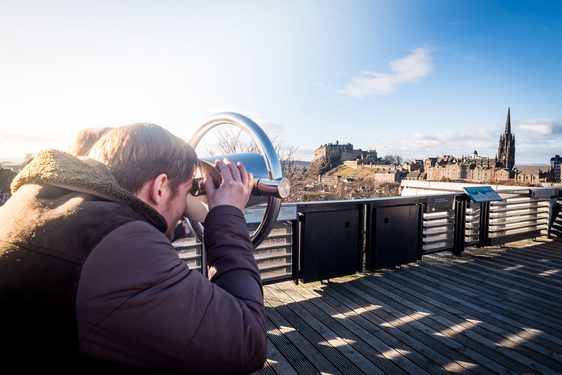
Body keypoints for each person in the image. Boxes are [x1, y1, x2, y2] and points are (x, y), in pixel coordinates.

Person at [0, 123, 267, 373]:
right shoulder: (120, 250)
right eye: (187, 192)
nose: (186, 207)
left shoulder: (35, 204)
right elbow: (247, 341)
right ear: (160, 186)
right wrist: (228, 215)